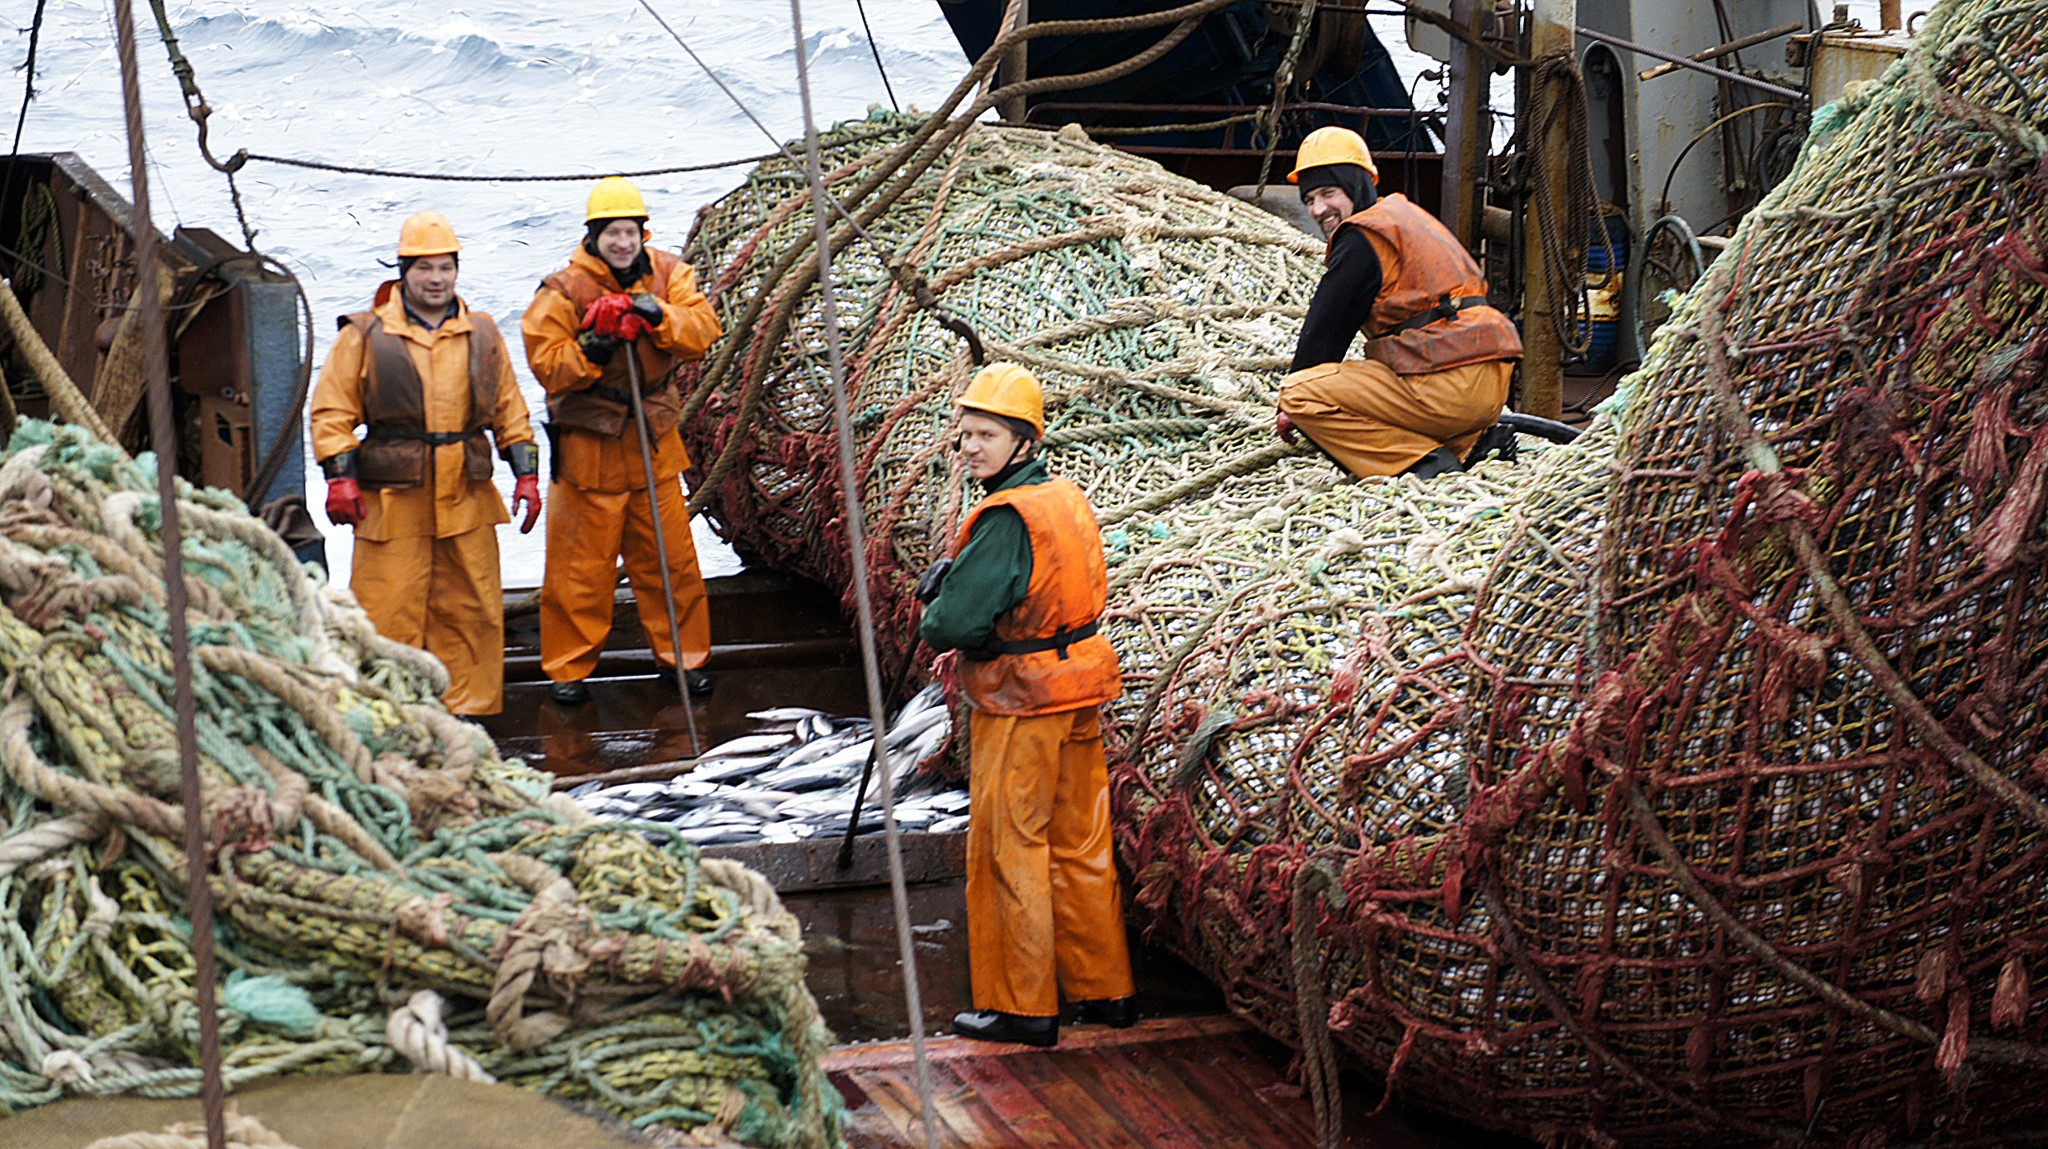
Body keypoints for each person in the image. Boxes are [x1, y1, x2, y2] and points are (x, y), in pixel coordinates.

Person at [917, 363, 1134, 1048]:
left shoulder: (1005, 515)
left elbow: (953, 626)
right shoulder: (1063, 496)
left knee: (1012, 848)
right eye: (965, 435)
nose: (970, 448)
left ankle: (1022, 1006)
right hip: (1079, 687)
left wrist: (940, 602)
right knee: (1082, 843)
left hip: (1023, 701)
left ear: (1023, 441)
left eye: (985, 435)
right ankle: (1107, 993)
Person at [311, 211, 538, 717]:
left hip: (467, 496)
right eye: (424, 269)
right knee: (386, 610)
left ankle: (469, 715)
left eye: (445, 268)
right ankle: (388, 715)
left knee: (473, 611)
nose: (436, 279)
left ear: (457, 271)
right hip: (394, 502)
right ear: (402, 272)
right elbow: (331, 411)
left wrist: (525, 473)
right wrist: (339, 479)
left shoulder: (481, 334)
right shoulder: (363, 335)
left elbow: (510, 408)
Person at [521, 177, 723, 706]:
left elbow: (703, 329)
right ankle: (567, 669)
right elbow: (548, 365)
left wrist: (658, 316)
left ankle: (686, 660)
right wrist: (596, 343)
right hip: (589, 452)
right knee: (576, 575)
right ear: (593, 236)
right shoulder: (561, 289)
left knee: (671, 565)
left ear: (642, 232)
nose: (622, 242)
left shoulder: (670, 274)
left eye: (629, 231)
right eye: (611, 232)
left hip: (653, 447)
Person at [1276, 126, 1523, 478]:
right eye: (1309, 199)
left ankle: (1424, 466)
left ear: (1356, 185)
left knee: (1300, 392)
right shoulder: (1406, 218)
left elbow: (1325, 331)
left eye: (1328, 192)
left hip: (1449, 386)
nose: (1318, 209)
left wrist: (1291, 406)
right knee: (1390, 380)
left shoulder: (1363, 235)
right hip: (1491, 386)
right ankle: (1476, 446)